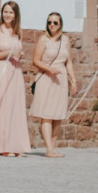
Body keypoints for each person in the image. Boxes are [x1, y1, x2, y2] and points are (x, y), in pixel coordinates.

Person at [0, 1, 32, 157]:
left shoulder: (18, 33)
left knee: (14, 107)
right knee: (1, 106)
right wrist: (8, 52)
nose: (7, 15)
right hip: (1, 70)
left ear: (16, 15)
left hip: (15, 71)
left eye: (11, 12)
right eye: (5, 11)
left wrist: (18, 54)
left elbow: (18, 51)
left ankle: (14, 144)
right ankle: (1, 146)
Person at [30, 12, 76, 159]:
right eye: (50, 22)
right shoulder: (44, 40)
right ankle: (49, 149)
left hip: (61, 79)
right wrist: (50, 69)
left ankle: (53, 148)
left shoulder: (66, 40)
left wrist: (73, 80)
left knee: (58, 115)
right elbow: (35, 60)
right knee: (47, 115)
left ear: (60, 24)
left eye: (55, 23)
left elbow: (68, 62)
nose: (52, 25)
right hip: (47, 78)